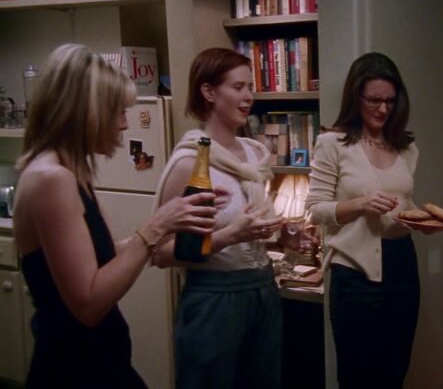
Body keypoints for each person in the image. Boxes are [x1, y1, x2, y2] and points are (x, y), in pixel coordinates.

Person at [13, 43, 217, 389]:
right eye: (119, 112)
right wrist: (153, 228)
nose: (125, 124)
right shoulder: (52, 179)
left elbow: (100, 259)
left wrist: (170, 223)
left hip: (101, 363)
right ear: (86, 113)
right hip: (74, 372)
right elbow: (89, 305)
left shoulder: (72, 171)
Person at [306, 52, 442, 389]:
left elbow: (402, 206)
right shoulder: (332, 144)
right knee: (359, 376)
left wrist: (420, 221)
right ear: (356, 98)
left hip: (402, 265)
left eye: (390, 101)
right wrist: (360, 204)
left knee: (395, 371)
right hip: (354, 273)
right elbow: (315, 209)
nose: (383, 109)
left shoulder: (406, 148)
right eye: (374, 100)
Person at [151, 47, 285, 389]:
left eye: (250, 87)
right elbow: (159, 251)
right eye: (238, 87)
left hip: (263, 290)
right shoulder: (189, 162)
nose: (248, 96)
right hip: (214, 298)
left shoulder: (255, 155)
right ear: (209, 92)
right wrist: (229, 236)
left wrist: (283, 235)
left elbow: (253, 228)